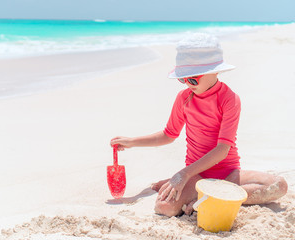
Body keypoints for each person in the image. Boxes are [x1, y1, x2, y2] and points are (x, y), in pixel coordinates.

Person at [110, 33, 288, 217]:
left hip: (228, 174)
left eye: (193, 78)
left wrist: (183, 174)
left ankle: (213, 197)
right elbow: (168, 135)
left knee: (279, 185)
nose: (188, 83)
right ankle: (213, 196)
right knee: (164, 207)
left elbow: (222, 150)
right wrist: (132, 141)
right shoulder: (183, 98)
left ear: (216, 70)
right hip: (198, 175)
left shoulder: (229, 99)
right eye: (183, 79)